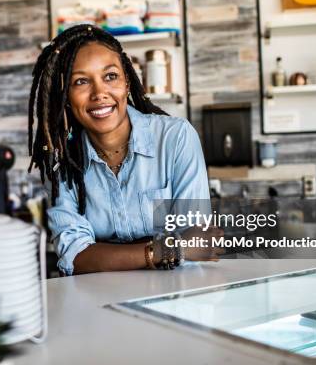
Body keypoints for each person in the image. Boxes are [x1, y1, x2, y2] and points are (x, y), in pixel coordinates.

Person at [28, 24, 222, 276]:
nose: (99, 93)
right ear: (65, 96)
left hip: (176, 298)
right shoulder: (61, 159)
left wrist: (104, 253)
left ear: (127, 82)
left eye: (110, 76)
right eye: (81, 81)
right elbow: (74, 256)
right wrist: (164, 250)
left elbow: (198, 242)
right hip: (98, 305)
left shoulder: (175, 138)